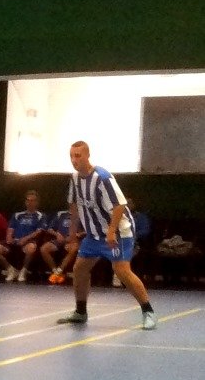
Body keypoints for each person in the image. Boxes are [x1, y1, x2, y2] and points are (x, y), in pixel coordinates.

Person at [57, 141, 156, 329]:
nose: (74, 160)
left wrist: (111, 232)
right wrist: (72, 236)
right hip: (94, 235)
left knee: (122, 271)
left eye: (78, 156)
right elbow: (73, 207)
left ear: (87, 156)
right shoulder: (75, 179)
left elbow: (119, 205)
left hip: (119, 232)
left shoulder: (102, 177)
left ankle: (148, 312)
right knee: (79, 269)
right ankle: (80, 312)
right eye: (71, 156)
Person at [0, 190, 48, 282]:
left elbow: (39, 231)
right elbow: (10, 228)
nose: (30, 203)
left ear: (37, 202)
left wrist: (25, 239)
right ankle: (11, 270)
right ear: (25, 202)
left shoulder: (41, 215)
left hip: (28, 241)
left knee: (31, 248)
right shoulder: (17, 215)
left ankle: (23, 271)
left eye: (32, 200)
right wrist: (9, 237)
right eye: (28, 200)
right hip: (14, 241)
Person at [40, 208, 79, 284]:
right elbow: (50, 229)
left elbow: (86, 231)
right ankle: (55, 271)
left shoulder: (82, 214)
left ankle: (59, 271)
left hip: (72, 241)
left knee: (74, 248)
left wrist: (75, 236)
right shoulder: (60, 214)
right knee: (44, 249)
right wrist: (57, 234)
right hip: (59, 240)